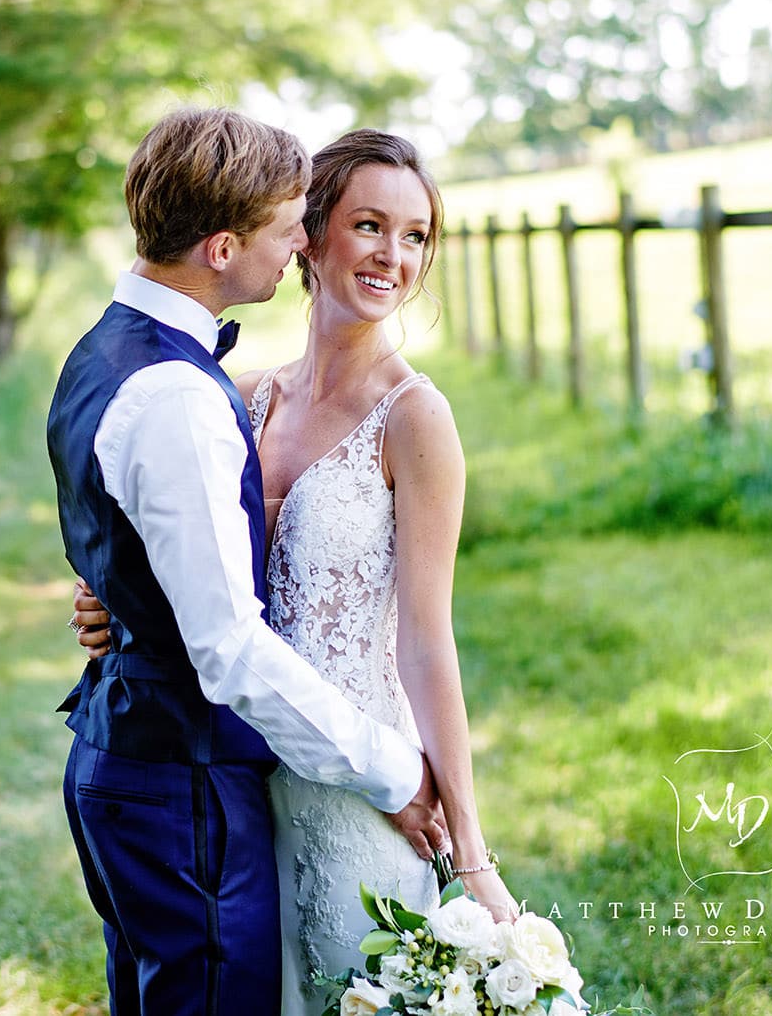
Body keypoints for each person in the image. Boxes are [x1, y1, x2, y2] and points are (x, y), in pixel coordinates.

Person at [70, 126, 521, 1012]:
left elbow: (428, 641)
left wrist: (469, 847)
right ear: (306, 236)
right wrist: (117, 606)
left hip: (354, 791)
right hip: (234, 782)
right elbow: (192, 567)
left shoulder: (416, 421)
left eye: (416, 234)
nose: (393, 254)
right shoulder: (242, 397)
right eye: (369, 225)